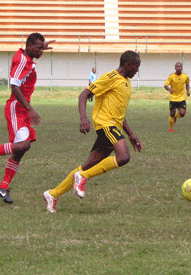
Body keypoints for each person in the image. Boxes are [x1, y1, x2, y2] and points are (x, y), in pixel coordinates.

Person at [43, 50, 143, 213]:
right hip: (105, 125)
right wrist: (83, 118)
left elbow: (120, 114)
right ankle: (83, 177)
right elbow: (84, 94)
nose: (137, 70)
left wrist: (131, 135)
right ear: (127, 64)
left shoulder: (126, 82)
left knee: (88, 165)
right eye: (136, 66)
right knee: (123, 157)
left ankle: (52, 194)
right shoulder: (110, 77)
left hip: (113, 126)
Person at [0, 33, 55, 204]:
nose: (41, 50)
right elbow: (14, 86)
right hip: (17, 108)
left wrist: (40, 48)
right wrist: (29, 108)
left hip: (21, 109)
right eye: (39, 47)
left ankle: (3, 188)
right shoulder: (23, 60)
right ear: (30, 46)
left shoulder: (26, 56)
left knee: (22, 150)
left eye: (42, 47)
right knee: (22, 145)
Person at [164, 62, 190, 132]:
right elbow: (165, 85)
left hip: (181, 98)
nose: (179, 67)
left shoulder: (185, 76)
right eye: (177, 66)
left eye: (180, 66)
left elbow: (187, 84)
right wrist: (169, 89)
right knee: (171, 114)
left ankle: (176, 115)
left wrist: (188, 91)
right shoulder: (171, 76)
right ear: (175, 68)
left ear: (182, 68)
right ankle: (171, 128)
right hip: (173, 98)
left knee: (182, 114)